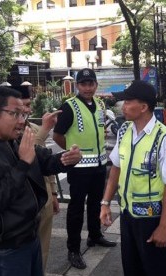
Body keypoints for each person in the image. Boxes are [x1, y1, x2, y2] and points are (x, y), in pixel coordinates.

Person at [0, 86, 82, 276]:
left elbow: (45, 160)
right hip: (4, 245)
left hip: (29, 234)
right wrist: (22, 164)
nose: (22, 121)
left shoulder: (12, 140)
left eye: (23, 114)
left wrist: (65, 159)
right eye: (15, 114)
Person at [100, 80, 166, 276]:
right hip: (128, 216)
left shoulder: (165, 139)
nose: (123, 106)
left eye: (128, 102)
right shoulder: (124, 131)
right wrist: (105, 203)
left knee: (157, 270)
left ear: (144, 107)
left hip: (152, 220)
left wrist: (164, 226)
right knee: (132, 268)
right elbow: (115, 170)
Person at [53, 68, 116, 270]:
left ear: (96, 85)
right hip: (79, 168)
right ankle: (73, 249)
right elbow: (57, 135)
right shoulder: (69, 106)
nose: (88, 87)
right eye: (83, 84)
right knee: (76, 209)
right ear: (77, 86)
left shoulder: (99, 104)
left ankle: (95, 236)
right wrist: (72, 153)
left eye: (91, 83)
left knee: (96, 204)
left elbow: (98, 130)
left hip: (99, 166)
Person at [13, 85, 60, 270]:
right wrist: (46, 128)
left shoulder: (33, 127)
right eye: (22, 106)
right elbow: (27, 155)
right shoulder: (7, 134)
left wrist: (54, 193)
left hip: (44, 198)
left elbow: (44, 161)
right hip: (23, 204)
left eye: (28, 104)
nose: (28, 109)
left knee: (43, 250)